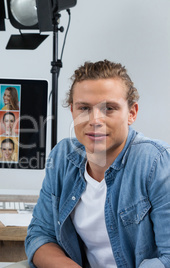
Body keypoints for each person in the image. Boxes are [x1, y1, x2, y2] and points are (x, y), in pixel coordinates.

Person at [25, 60, 170, 268]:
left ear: (132, 113)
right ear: (73, 112)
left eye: (109, 108)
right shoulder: (63, 157)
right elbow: (40, 235)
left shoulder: (157, 163)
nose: (95, 120)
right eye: (84, 108)